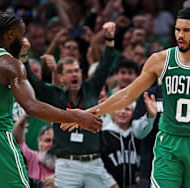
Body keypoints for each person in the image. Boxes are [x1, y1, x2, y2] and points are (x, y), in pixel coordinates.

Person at [62, 7, 190, 188]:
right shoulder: (160, 60)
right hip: (168, 140)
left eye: (186, 30)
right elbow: (128, 94)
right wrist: (86, 113)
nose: (180, 35)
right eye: (177, 29)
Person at [0, 12, 102, 188]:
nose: (23, 40)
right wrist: (76, 118)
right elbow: (32, 106)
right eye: (21, 34)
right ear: (10, 35)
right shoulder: (9, 64)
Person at [24, 22, 117, 188]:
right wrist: (24, 59)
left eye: (77, 70)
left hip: (94, 162)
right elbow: (34, 82)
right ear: (60, 76)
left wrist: (109, 38)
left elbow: (105, 65)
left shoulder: (91, 88)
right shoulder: (54, 94)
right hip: (67, 164)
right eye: (69, 71)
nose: (74, 74)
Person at [101, 103, 140, 188]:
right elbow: (99, 164)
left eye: (127, 109)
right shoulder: (104, 135)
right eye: (118, 108)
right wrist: (110, 183)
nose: (122, 112)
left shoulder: (138, 135)